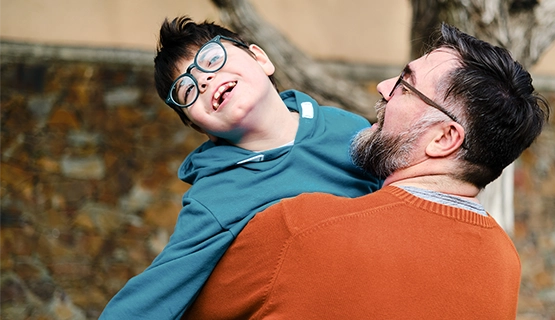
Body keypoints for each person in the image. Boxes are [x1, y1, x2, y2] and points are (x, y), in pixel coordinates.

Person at [183, 23, 550, 320]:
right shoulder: (504, 264)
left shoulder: (297, 228)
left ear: (443, 139)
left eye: (406, 86)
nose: (383, 87)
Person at [99, 16, 381, 319]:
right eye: (187, 91)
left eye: (211, 59)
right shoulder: (216, 197)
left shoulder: (346, 127)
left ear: (260, 58)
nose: (203, 80)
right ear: (201, 127)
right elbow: (150, 297)